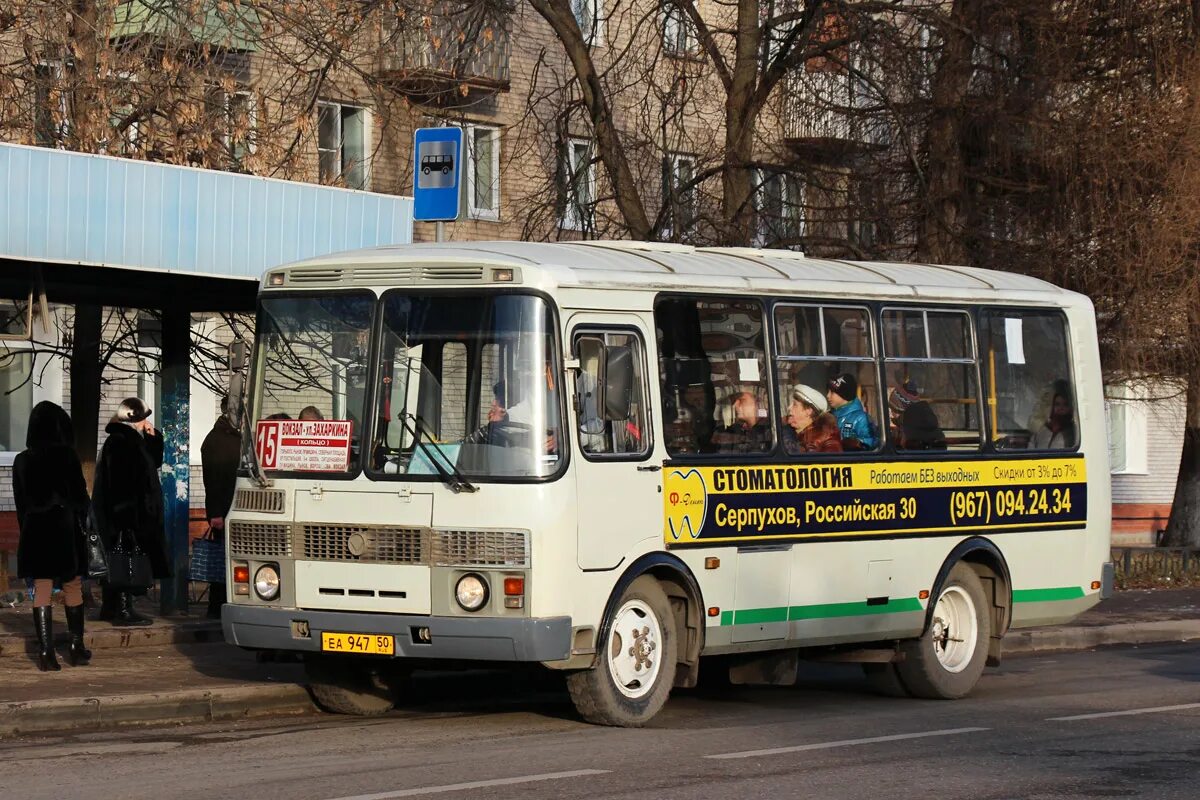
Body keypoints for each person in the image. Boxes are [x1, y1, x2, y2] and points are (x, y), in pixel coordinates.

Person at [12, 402, 93, 670]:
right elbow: (81, 499)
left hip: (35, 529)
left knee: (42, 586)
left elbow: (20, 503)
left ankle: (46, 653)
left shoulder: (22, 459)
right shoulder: (67, 457)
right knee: (72, 585)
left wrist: (29, 527)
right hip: (65, 528)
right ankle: (76, 647)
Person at [92, 397, 169, 627]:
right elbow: (120, 483)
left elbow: (151, 463)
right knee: (125, 559)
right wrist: (127, 516)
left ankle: (110, 607)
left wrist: (154, 439)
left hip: (124, 512)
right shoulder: (122, 442)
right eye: (144, 417)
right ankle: (124, 609)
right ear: (133, 418)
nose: (147, 421)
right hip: (126, 514)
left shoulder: (129, 440)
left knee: (118, 557)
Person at [200, 396, 240, 620]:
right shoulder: (217, 440)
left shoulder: (231, 437)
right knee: (220, 560)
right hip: (224, 510)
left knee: (226, 558)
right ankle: (216, 606)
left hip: (230, 508)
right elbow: (212, 479)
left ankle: (221, 604)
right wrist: (215, 513)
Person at [782, 384, 842, 454]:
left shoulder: (829, 442)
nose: (789, 408)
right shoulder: (788, 431)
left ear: (808, 411)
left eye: (795, 405)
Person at [888, 380, 946, 451]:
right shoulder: (930, 422)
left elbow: (897, 453)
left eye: (892, 409)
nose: (891, 414)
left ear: (899, 409)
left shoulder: (907, 431)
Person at [826, 373, 878, 450]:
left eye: (832, 392)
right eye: (828, 391)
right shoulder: (828, 416)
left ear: (844, 394)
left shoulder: (861, 418)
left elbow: (873, 440)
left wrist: (858, 443)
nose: (827, 395)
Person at [1030, 381, 1076, 449]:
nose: (1061, 408)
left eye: (1065, 405)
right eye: (1057, 404)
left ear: (1070, 408)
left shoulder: (1074, 432)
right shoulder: (1043, 430)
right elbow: (1031, 449)